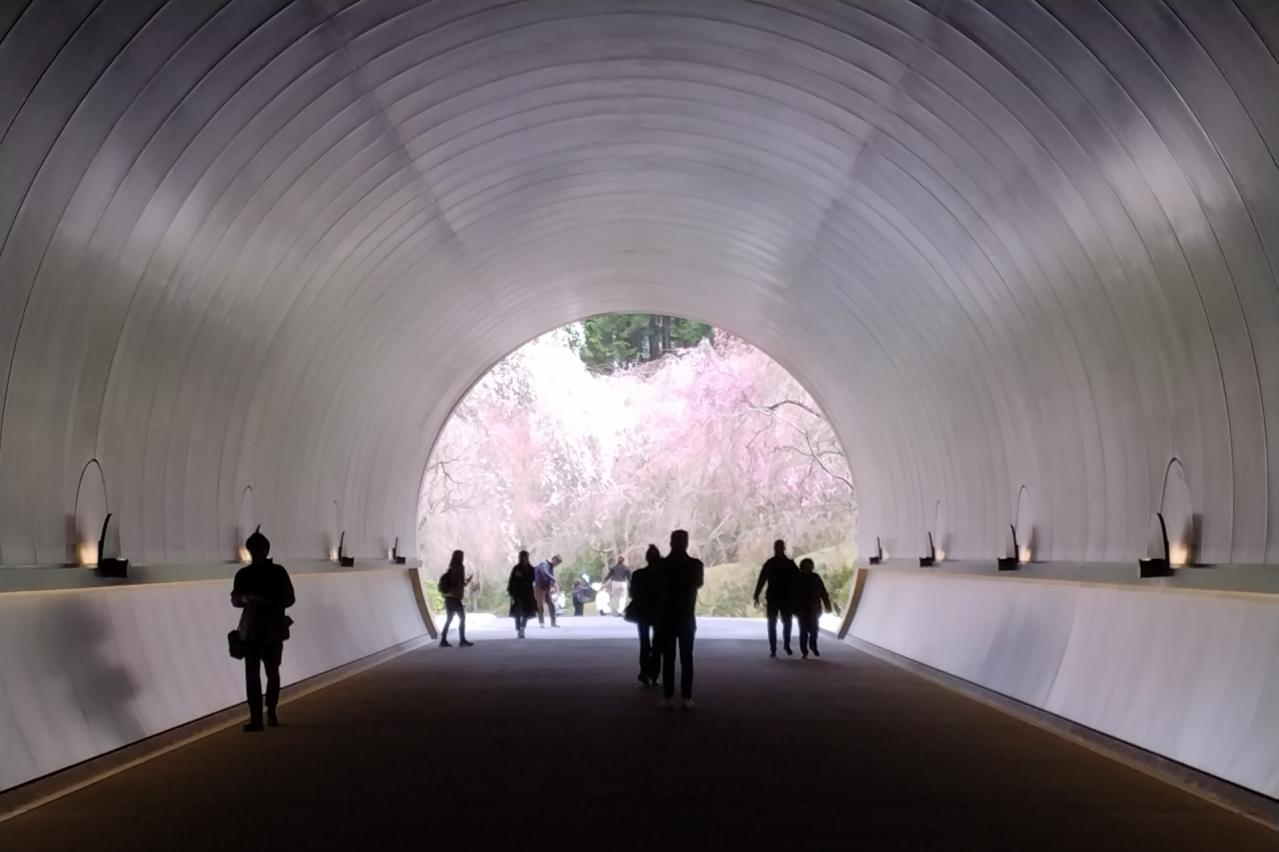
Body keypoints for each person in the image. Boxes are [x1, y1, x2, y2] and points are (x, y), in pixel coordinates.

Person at [231, 527, 295, 732]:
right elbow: (289, 599)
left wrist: (247, 599)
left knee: (252, 675)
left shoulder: (243, 574)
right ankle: (272, 712)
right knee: (272, 671)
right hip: (273, 630)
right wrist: (269, 601)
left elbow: (235, 599)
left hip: (250, 631)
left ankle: (256, 718)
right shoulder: (278, 572)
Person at [655, 530, 704, 710]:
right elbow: (698, 583)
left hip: (666, 617)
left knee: (668, 658)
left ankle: (668, 696)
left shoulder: (662, 565)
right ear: (686, 543)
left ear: (670, 543)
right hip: (686, 616)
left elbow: (657, 587)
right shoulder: (695, 565)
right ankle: (686, 696)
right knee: (686, 658)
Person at [753, 539, 799, 658]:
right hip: (785, 597)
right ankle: (786, 645)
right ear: (784, 548)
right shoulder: (789, 564)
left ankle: (774, 648)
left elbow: (762, 580)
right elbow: (798, 580)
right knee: (786, 622)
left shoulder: (770, 563)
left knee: (772, 623)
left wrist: (757, 595)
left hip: (774, 596)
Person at [624, 544, 662, 685]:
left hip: (643, 612)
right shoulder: (663, 576)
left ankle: (644, 671)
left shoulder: (638, 574)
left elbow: (632, 593)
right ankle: (654, 673)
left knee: (644, 643)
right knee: (658, 645)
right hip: (659, 612)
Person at [794, 558, 834, 659]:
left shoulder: (815, 577)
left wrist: (827, 604)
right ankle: (804, 651)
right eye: (805, 566)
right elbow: (793, 594)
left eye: (809, 566)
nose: (807, 568)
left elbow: (823, 592)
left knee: (814, 630)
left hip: (814, 608)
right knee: (803, 631)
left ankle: (813, 646)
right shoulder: (798, 578)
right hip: (802, 608)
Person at [440, 549, 473, 647]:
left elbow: (456, 583)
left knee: (449, 619)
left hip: (448, 598)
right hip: (455, 598)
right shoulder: (460, 568)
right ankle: (462, 640)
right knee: (462, 618)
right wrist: (468, 581)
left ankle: (443, 640)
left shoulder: (450, 569)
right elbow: (460, 584)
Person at [508, 550, 538, 639]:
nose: (524, 559)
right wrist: (511, 591)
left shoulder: (530, 568)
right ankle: (518, 628)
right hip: (518, 592)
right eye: (523, 557)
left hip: (528, 592)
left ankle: (523, 627)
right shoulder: (516, 568)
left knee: (526, 612)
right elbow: (512, 580)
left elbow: (533, 579)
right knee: (518, 611)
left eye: (526, 557)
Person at [534, 554, 561, 627]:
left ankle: (553, 622)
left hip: (546, 588)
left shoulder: (551, 567)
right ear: (554, 560)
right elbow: (544, 573)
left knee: (551, 604)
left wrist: (552, 585)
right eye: (557, 563)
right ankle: (541, 622)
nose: (556, 565)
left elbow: (550, 577)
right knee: (540, 605)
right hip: (539, 587)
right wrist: (553, 579)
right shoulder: (544, 564)